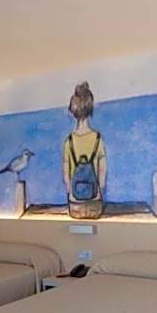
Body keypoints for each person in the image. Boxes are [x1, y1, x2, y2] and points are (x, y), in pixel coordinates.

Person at [62, 82, 107, 219]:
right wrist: (97, 193)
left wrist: (72, 194)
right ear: (90, 109)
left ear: (73, 111)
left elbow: (66, 177)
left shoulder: (68, 142)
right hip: (95, 206)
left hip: (75, 207)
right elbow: (102, 175)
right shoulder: (98, 139)